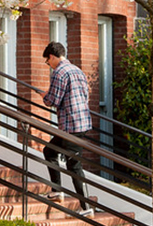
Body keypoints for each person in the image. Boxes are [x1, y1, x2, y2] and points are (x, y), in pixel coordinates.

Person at [40, 41, 94, 217]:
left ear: (52, 57)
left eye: (48, 62)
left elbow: (52, 100)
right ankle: (57, 191)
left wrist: (44, 96)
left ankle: (86, 208)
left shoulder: (59, 72)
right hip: (81, 123)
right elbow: (85, 94)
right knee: (50, 151)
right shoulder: (77, 70)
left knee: (74, 165)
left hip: (71, 125)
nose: (49, 66)